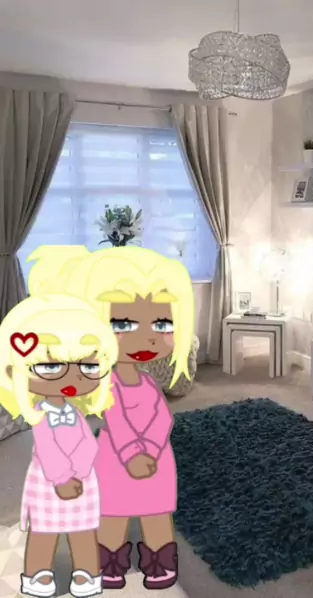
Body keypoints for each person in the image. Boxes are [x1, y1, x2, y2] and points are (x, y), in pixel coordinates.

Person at [28, 245, 195, 590]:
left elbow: (163, 419)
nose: (148, 336)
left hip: (158, 461)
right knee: (113, 513)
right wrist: (134, 454)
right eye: (122, 323)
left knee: (156, 513)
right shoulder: (104, 385)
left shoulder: (149, 382)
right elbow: (115, 421)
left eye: (162, 323)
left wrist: (151, 449)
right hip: (117, 460)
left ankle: (159, 560)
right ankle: (110, 562)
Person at [0, 293, 119, 598]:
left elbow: (88, 443)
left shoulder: (75, 412)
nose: (72, 377)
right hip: (50, 480)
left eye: (85, 366)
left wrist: (79, 470)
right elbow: (48, 450)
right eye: (50, 367)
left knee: (84, 529)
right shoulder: (40, 415)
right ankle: (37, 575)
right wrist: (63, 478)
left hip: (82, 479)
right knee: (44, 531)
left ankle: (87, 573)